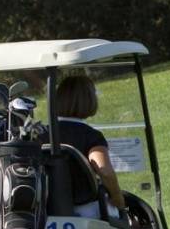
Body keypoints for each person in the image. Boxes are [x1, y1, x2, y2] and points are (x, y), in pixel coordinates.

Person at [49, 74, 125, 218]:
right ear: (89, 100)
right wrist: (117, 198)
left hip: (49, 211)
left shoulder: (42, 134)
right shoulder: (90, 136)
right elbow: (105, 171)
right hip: (85, 210)